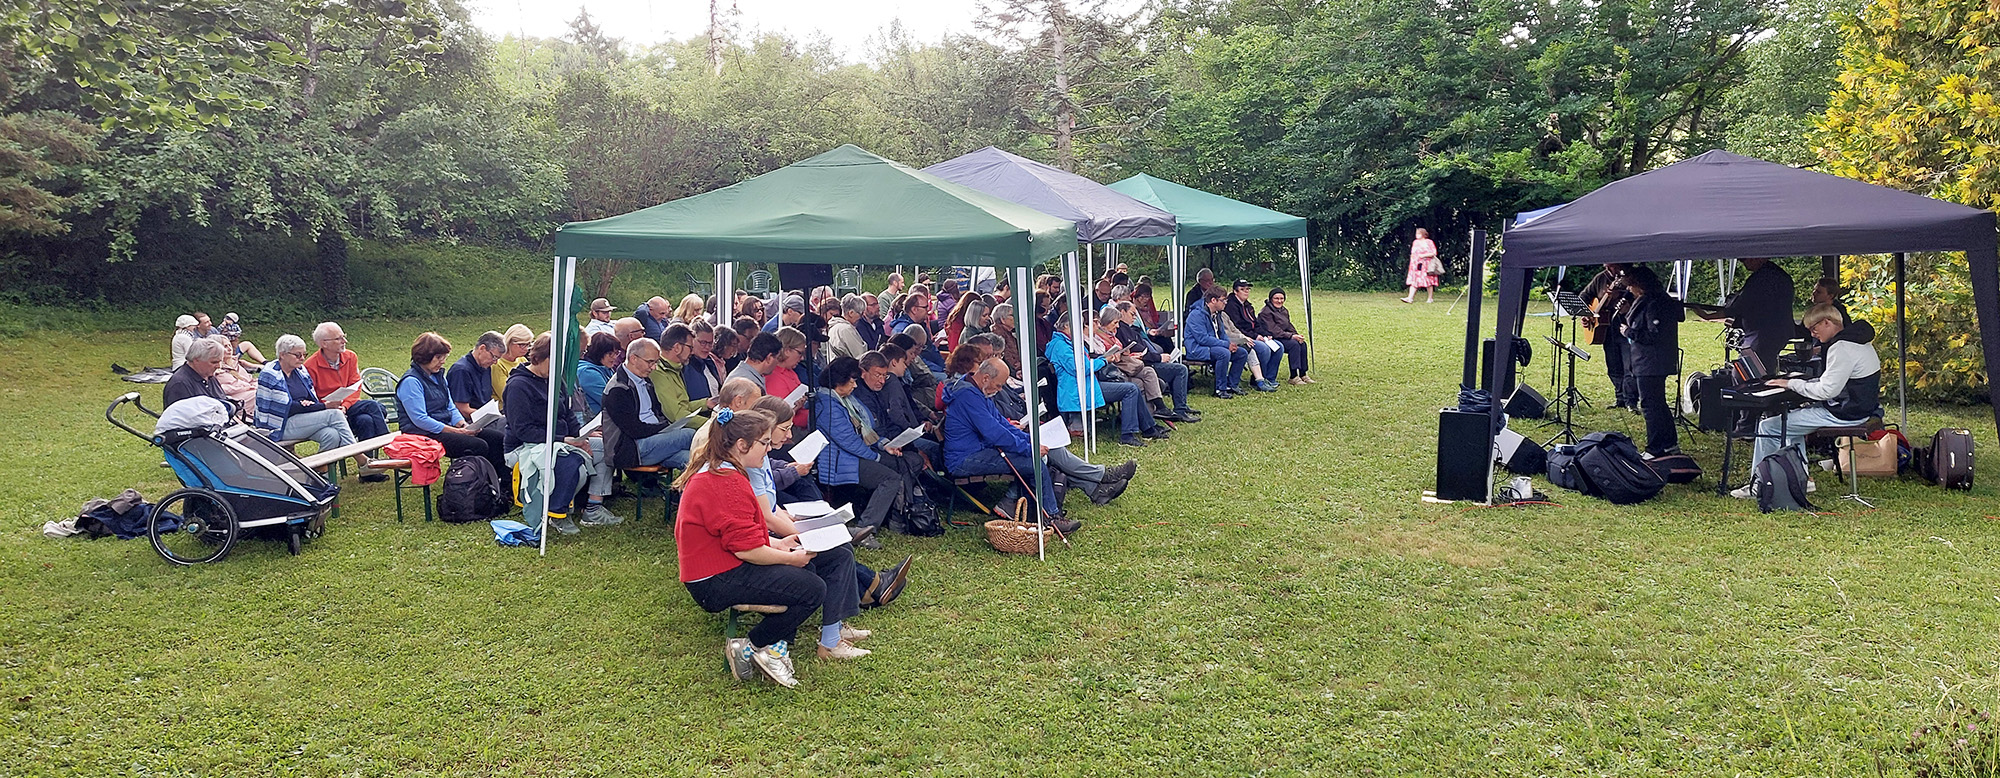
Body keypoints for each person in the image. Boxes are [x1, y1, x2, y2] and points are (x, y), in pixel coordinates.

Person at [675, 407, 865, 688]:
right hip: (714, 580)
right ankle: (754, 645)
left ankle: (778, 647)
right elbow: (746, 551)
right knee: (811, 587)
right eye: (764, 443)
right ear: (742, 445)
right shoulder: (726, 481)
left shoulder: (724, 472)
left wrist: (780, 544)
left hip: (720, 567)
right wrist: (790, 558)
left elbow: (740, 537)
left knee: (814, 569)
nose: (768, 450)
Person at [941, 358, 1134, 529]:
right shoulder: (969, 396)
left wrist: (1032, 442)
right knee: (1035, 463)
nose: (999, 390)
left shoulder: (975, 391)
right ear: (985, 378)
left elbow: (1000, 425)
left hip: (978, 451)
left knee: (1041, 457)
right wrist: (1030, 448)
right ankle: (1051, 516)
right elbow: (996, 433)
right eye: (999, 386)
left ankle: (1090, 490)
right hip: (966, 459)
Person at [1732, 303, 1882, 499]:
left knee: (1769, 426)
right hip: (1861, 407)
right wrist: (1801, 382)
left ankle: (1759, 485)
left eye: (1814, 329)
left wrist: (1790, 383)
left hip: (1845, 413)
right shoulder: (1859, 340)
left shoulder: (1841, 347)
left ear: (1827, 322)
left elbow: (1827, 390)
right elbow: (1838, 381)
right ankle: (1801, 479)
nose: (1813, 335)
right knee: (1791, 422)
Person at [503, 333, 623, 534]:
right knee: (573, 463)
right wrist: (563, 440)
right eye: (556, 361)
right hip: (526, 446)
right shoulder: (518, 386)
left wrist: (580, 438)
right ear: (540, 358)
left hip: (562, 441)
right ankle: (557, 513)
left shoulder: (556, 380)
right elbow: (522, 430)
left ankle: (593, 507)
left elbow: (568, 415)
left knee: (606, 449)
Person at [812, 357, 906, 549]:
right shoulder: (827, 406)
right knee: (890, 478)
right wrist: (877, 456)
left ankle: (898, 518)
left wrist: (883, 445)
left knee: (900, 464)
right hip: (840, 461)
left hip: (852, 456)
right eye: (852, 380)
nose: (855, 385)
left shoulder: (843, 400)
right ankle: (866, 529)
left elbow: (866, 429)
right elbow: (849, 442)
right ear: (839, 382)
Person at [256, 335, 380, 479]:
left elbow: (310, 399)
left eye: (304, 354)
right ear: (282, 355)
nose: (302, 358)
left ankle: (318, 476)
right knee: (334, 414)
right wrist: (322, 406)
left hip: (302, 420)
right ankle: (362, 461)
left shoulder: (300, 371)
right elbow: (287, 407)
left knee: (331, 435)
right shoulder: (271, 374)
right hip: (279, 425)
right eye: (297, 355)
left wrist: (309, 405)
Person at [1047, 314, 1168, 448]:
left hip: (1086, 384)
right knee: (1131, 389)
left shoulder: (1065, 343)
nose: (1080, 328)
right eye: (1077, 325)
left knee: (1132, 388)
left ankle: (1149, 427)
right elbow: (1081, 369)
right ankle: (1129, 434)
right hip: (1079, 389)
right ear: (1065, 327)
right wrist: (1104, 360)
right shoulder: (1061, 346)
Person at [397, 332, 509, 474]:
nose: (442, 361)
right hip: (423, 434)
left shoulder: (438, 377)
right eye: (438, 357)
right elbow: (420, 419)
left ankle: (501, 484)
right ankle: (473, 484)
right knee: (478, 446)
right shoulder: (411, 382)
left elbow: (450, 406)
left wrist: (463, 424)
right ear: (425, 357)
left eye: (444, 357)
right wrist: (456, 431)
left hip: (444, 428)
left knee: (496, 438)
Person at [602, 337, 704, 471]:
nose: (654, 367)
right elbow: (634, 429)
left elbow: (658, 411)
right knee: (689, 435)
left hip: (653, 440)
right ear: (633, 359)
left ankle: (687, 490)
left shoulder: (646, 381)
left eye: (656, 362)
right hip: (631, 450)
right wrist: (663, 428)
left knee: (691, 459)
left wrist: (666, 429)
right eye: (650, 362)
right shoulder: (617, 389)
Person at [1619, 266, 1683, 458]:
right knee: (1659, 404)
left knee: (1649, 405)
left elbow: (1652, 335)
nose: (1629, 289)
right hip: (1655, 361)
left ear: (1639, 285)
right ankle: (1670, 443)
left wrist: (1628, 332)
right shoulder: (1659, 300)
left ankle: (1655, 448)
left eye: (1631, 285)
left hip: (1650, 362)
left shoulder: (1653, 303)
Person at [1704, 257, 1796, 374]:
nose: (1744, 264)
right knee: (1764, 369)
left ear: (1759, 258)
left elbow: (1741, 303)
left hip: (1763, 335)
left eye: (1745, 260)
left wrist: (1709, 316)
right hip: (1776, 332)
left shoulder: (1762, 278)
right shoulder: (1779, 275)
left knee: (1749, 373)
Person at [301, 322, 390, 441]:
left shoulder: (350, 356)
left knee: (366, 420)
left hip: (350, 405)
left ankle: (368, 458)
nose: (345, 341)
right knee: (374, 407)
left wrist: (345, 406)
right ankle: (389, 445)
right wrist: (336, 407)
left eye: (344, 336)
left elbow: (356, 385)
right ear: (324, 343)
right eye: (339, 338)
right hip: (330, 410)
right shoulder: (311, 366)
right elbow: (313, 397)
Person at [1113, 301, 1199, 421]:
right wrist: (1159, 357)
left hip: (1145, 363)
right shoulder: (1121, 330)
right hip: (1143, 365)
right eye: (1132, 314)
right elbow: (1140, 351)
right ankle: (1180, 409)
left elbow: (1142, 348)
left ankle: (1178, 407)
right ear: (1122, 312)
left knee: (1177, 367)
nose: (1135, 317)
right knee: (1180, 369)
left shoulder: (1129, 329)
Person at [1580, 263, 1635, 409]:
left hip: (1625, 325)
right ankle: (1620, 399)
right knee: (1613, 365)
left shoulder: (1630, 278)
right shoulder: (1600, 278)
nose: (1609, 270)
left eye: (1612, 266)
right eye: (1607, 266)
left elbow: (1639, 299)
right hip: (1606, 329)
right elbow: (1583, 296)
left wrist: (1622, 298)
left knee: (1628, 365)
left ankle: (1631, 402)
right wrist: (1586, 315)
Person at [1185, 287, 1251, 398]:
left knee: (1241, 353)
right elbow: (1202, 339)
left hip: (1213, 346)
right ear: (1213, 300)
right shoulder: (1196, 315)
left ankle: (1232, 385)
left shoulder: (1217, 314)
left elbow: (1222, 334)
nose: (1225, 303)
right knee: (1223, 353)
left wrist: (1229, 344)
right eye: (1223, 300)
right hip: (1197, 349)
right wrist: (1226, 345)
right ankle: (1220, 389)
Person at [1224, 278, 1282, 392]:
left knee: (1278, 347)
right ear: (1235, 291)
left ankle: (1269, 378)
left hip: (1253, 335)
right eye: (1242, 289)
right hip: (1242, 337)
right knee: (1264, 349)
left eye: (1248, 289)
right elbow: (1237, 328)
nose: (1246, 292)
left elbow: (1256, 323)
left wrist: (1265, 334)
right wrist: (1255, 336)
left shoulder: (1248, 305)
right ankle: (1257, 380)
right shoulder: (1231, 306)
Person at [1258, 288, 1313, 385]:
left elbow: (1288, 325)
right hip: (1270, 338)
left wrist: (1296, 335)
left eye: (1281, 298)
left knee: (1302, 344)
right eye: (1276, 298)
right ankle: (1293, 376)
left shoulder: (1283, 310)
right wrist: (1291, 336)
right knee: (1293, 345)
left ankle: (1303, 374)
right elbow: (1273, 330)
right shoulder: (1266, 312)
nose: (1279, 301)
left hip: (1283, 336)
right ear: (1271, 299)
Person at [448, 331, 505, 420]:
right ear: (482, 348)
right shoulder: (461, 370)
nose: (495, 362)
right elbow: (462, 409)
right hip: (468, 421)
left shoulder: (485, 367)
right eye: (494, 357)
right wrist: (495, 417)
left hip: (486, 417)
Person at [163, 337, 229, 410]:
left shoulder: (209, 377)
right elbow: (182, 418)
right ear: (196, 360)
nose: (219, 366)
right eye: (214, 362)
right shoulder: (180, 384)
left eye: (220, 362)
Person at [576, 332, 622, 417]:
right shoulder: (588, 373)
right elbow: (611, 402)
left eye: (616, 353)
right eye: (610, 354)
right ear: (599, 352)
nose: (615, 357)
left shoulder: (605, 367)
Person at [491, 324, 533, 409]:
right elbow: (506, 395)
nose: (525, 349)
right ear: (509, 342)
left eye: (528, 345)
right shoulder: (497, 364)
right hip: (504, 410)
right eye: (521, 345)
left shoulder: (522, 360)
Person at [1132, 284, 1176, 354]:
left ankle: (1173, 355)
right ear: (1138, 297)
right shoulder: (1134, 309)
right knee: (1163, 340)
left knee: (1165, 337)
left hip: (1151, 332)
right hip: (1144, 337)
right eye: (1144, 296)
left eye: (1148, 296)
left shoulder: (1146, 308)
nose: (1147, 299)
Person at [1401, 227, 1441, 303]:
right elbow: (1413, 253)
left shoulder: (1429, 242)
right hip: (1416, 265)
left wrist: (1424, 255)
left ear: (1423, 234)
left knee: (1428, 281)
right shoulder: (1415, 242)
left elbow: (1434, 253)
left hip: (1427, 264)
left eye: (1418, 233)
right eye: (1416, 233)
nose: (1417, 235)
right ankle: (1410, 298)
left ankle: (1430, 298)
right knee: (1414, 280)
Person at [826, 294, 870, 361]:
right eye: (860, 314)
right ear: (851, 313)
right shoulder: (845, 329)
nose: (861, 317)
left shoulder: (835, 327)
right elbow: (860, 356)